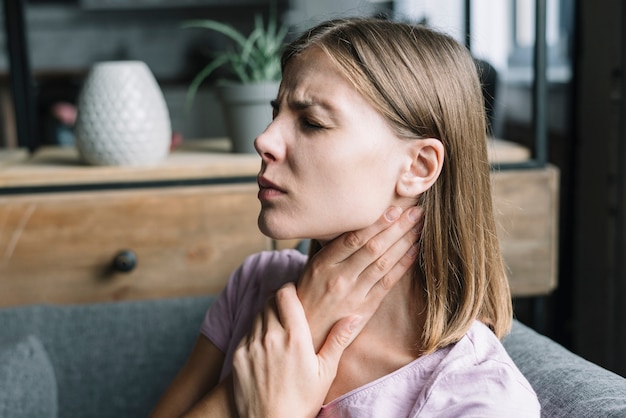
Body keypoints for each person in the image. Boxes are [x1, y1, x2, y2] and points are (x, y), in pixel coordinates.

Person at [150, 17, 540, 417]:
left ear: (419, 167)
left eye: (312, 122)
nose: (264, 139)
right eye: (276, 113)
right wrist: (303, 320)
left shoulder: (482, 399)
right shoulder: (256, 284)